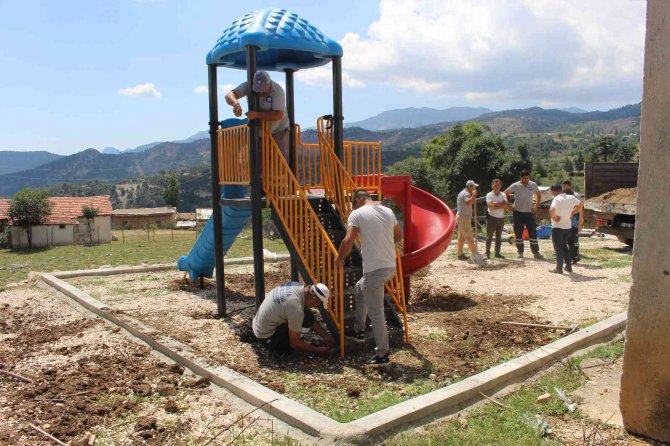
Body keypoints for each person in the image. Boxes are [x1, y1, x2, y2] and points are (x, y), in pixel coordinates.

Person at [336, 189, 402, 366]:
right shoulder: (387, 211)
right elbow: (398, 235)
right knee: (359, 288)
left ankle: (382, 354)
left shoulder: (357, 214)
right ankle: (358, 330)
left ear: (357, 200)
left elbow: (348, 240)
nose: (352, 207)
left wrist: (340, 258)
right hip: (390, 266)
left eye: (352, 203)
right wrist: (382, 244)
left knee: (377, 312)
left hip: (374, 271)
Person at [252, 281, 337, 357]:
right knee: (304, 320)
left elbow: (309, 317)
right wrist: (318, 350)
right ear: (314, 299)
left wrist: (325, 336)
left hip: (257, 325)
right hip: (266, 339)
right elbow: (295, 343)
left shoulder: (296, 286)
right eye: (318, 304)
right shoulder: (295, 308)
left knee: (307, 316)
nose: (316, 307)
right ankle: (281, 350)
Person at [225, 71, 290, 161]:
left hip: (279, 129)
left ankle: (284, 174)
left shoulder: (278, 91)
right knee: (258, 161)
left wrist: (257, 115)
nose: (260, 93)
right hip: (259, 130)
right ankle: (260, 174)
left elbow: (278, 115)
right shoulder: (248, 85)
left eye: (263, 90)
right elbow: (229, 95)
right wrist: (235, 104)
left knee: (279, 160)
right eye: (257, 91)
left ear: (269, 83)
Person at [505, 171, 544, 259]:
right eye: (524, 178)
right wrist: (508, 206)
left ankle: (536, 252)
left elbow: (539, 194)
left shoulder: (533, 184)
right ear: (520, 178)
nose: (526, 180)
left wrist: (536, 206)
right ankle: (520, 252)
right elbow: (505, 193)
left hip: (530, 212)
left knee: (533, 232)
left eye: (527, 178)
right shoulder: (515, 185)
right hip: (518, 212)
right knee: (518, 232)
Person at [548, 185, 582, 274]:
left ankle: (559, 268)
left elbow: (551, 210)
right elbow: (581, 204)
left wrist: (554, 217)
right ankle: (568, 266)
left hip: (557, 227)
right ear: (561, 190)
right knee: (564, 247)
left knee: (558, 249)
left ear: (553, 191)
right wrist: (573, 212)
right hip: (568, 227)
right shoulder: (570, 197)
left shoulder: (556, 199)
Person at [456, 180, 481, 261]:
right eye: (473, 186)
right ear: (469, 187)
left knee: (462, 237)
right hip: (464, 218)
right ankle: (475, 254)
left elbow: (470, 202)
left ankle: (460, 254)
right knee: (469, 236)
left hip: (461, 217)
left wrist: (473, 196)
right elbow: (468, 202)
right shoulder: (466, 194)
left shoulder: (462, 192)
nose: (475, 188)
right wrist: (474, 195)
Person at [485, 178, 509, 259]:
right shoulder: (489, 195)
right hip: (491, 217)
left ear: (500, 186)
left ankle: (497, 253)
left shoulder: (503, 194)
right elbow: (490, 207)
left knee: (499, 237)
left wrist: (496, 204)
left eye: (498, 185)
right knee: (489, 236)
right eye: (495, 185)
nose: (497, 186)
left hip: (501, 218)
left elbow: (506, 205)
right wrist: (501, 205)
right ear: (492, 186)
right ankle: (487, 253)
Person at [562, 180, 583, 264]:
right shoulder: (564, 197)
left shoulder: (576, 196)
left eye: (566, 186)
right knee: (569, 241)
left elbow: (581, 209)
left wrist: (580, 223)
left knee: (571, 241)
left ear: (570, 186)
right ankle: (573, 257)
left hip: (573, 223)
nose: (565, 188)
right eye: (563, 186)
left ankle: (573, 257)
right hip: (567, 223)